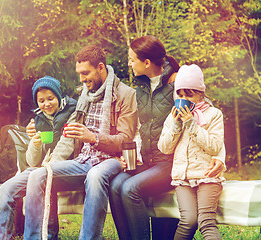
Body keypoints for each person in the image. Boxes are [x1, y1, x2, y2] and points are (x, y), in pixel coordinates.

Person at [109, 35, 226, 240]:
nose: (128, 63)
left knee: (129, 188)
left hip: (169, 162)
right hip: (148, 160)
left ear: (146, 62)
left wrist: (220, 158)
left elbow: (207, 119)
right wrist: (133, 153)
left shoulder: (178, 86)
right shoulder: (141, 88)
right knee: (116, 185)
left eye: (131, 59)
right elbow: (141, 128)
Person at [23, 45, 138, 239]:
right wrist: (39, 142)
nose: (82, 79)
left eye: (85, 73)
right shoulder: (85, 95)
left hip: (112, 160)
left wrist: (93, 138)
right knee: (37, 176)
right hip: (83, 159)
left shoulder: (126, 95)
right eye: (79, 74)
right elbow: (68, 135)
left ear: (101, 67)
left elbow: (125, 139)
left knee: (94, 176)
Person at [0, 76, 77, 240]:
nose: (47, 104)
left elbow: (67, 145)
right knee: (5, 189)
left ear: (58, 96)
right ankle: (1, 237)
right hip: (41, 168)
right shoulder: (39, 120)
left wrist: (46, 168)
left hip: (67, 166)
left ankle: (45, 235)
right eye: (41, 101)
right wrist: (35, 144)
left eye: (51, 98)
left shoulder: (72, 111)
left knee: (40, 179)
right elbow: (32, 161)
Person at [158, 64, 225, 240]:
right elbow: (164, 148)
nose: (184, 98)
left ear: (201, 94)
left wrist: (191, 124)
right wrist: (176, 125)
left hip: (207, 176)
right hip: (183, 179)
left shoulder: (213, 114)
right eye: (180, 94)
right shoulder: (172, 118)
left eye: (189, 94)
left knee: (206, 222)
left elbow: (215, 146)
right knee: (188, 221)